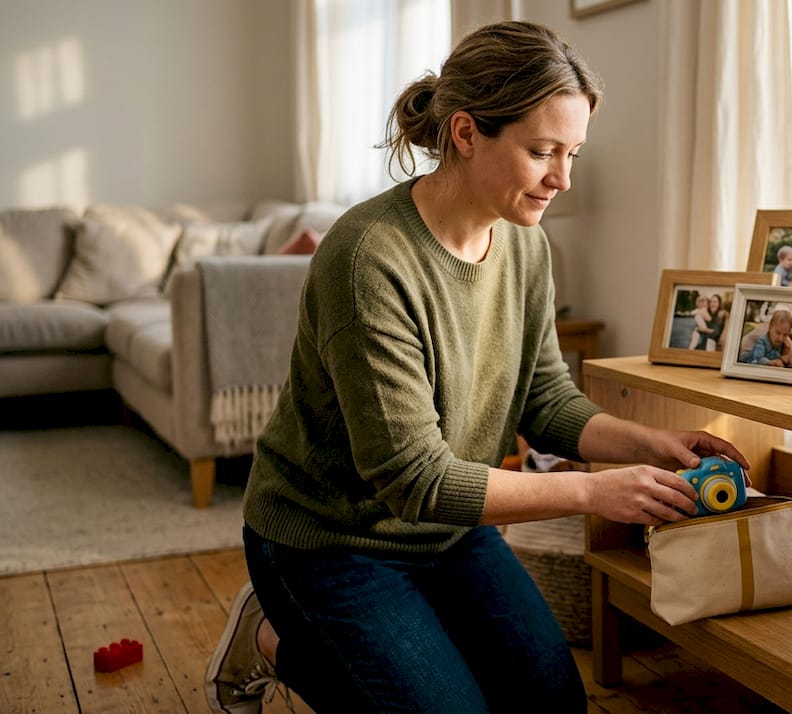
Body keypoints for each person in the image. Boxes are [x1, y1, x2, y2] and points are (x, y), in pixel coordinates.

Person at [203, 21, 749, 714]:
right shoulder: (367, 258)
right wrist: (592, 493)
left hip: (451, 531)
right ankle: (270, 637)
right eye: (542, 151)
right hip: (329, 542)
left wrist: (654, 446)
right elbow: (414, 479)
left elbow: (545, 400)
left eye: (573, 153)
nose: (563, 179)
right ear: (466, 134)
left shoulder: (526, 248)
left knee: (554, 706)